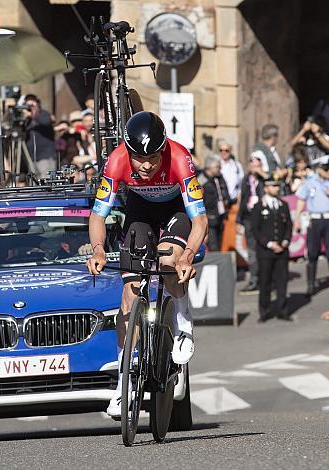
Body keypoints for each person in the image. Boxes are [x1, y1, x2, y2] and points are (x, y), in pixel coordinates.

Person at [85, 111, 208, 417]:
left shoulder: (179, 158)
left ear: (163, 148)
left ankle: (182, 321)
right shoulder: (116, 160)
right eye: (140, 158)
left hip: (176, 211)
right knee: (129, 293)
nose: (147, 165)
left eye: (153, 156)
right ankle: (122, 386)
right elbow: (98, 214)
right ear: (128, 151)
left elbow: (200, 219)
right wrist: (99, 250)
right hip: (140, 211)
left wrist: (189, 255)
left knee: (168, 260)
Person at [294, 155, 329, 297]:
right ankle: (311, 285)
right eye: (326, 169)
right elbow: (301, 199)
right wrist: (297, 218)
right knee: (312, 253)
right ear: (318, 169)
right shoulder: (310, 182)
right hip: (315, 219)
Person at [250, 177, 292, 322]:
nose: (277, 188)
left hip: (282, 250)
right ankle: (264, 311)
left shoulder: (283, 205)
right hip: (265, 251)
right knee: (265, 282)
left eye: (277, 185)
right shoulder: (258, 207)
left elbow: (289, 226)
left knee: (282, 282)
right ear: (266, 188)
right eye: (273, 186)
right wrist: (268, 244)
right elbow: (255, 229)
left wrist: (285, 242)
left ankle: (283, 310)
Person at [237, 155, 266, 292]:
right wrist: (239, 219)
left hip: (263, 218)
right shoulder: (246, 180)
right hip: (249, 218)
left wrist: (263, 175)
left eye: (257, 166)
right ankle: (254, 280)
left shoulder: (265, 179)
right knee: (252, 250)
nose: (254, 169)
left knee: (264, 249)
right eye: (252, 166)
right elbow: (242, 199)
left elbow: (277, 185)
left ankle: (266, 279)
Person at [199, 155, 230, 251]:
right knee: (213, 246)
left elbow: (225, 191)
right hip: (209, 218)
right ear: (210, 167)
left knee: (220, 243)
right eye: (218, 167)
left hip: (220, 216)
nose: (220, 169)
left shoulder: (219, 177)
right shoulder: (201, 181)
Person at [23, 94, 56, 176]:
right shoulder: (26, 120)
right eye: (28, 105)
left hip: (45, 156)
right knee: (35, 184)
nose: (30, 108)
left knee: (47, 181)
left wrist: (33, 114)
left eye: (32, 105)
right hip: (31, 157)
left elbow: (46, 121)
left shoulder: (43, 114)